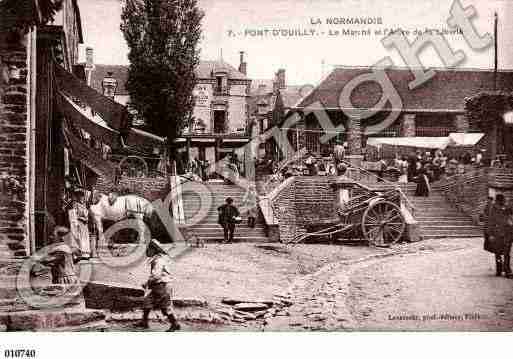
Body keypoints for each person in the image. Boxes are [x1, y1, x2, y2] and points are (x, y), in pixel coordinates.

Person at [138, 239, 181, 331]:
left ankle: (174, 324)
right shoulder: (157, 259)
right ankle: (144, 322)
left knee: (165, 307)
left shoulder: (158, 260)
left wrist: (147, 283)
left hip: (162, 285)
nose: (146, 251)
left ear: (154, 249)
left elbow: (156, 275)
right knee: (147, 302)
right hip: (158, 285)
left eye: (148, 248)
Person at [488, 194, 513, 277]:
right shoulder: (493, 209)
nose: (504, 201)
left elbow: (511, 212)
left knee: (506, 253)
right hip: (497, 234)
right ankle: (499, 269)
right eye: (502, 200)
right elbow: (491, 222)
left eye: (504, 200)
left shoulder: (507, 208)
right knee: (498, 253)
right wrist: (491, 234)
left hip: (507, 233)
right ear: (499, 201)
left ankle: (507, 270)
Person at [69, 188, 91, 258]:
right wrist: (79, 220)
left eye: (82, 196)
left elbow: (86, 214)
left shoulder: (84, 205)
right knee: (78, 238)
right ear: (77, 197)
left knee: (85, 238)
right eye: (80, 196)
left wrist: (86, 218)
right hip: (79, 223)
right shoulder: (75, 205)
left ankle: (85, 253)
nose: (81, 198)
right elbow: (74, 215)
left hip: (84, 224)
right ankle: (77, 254)